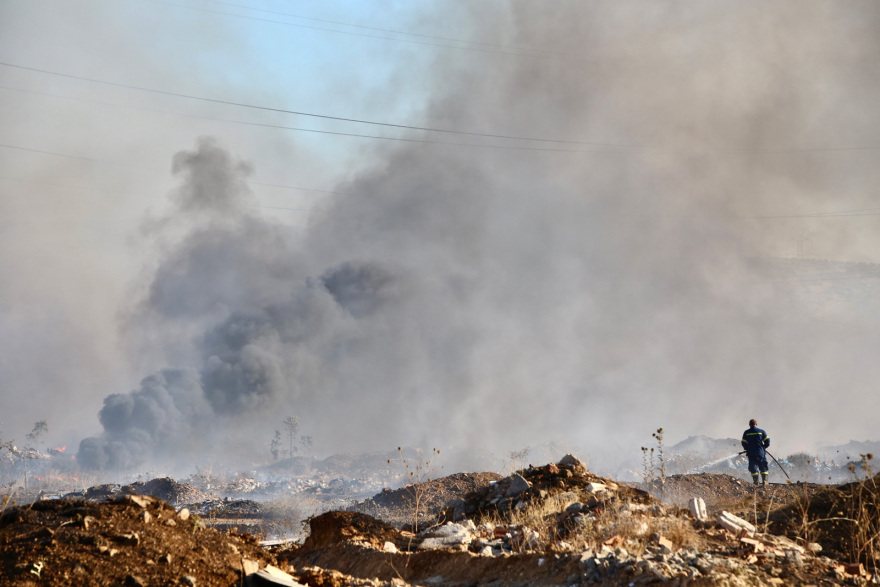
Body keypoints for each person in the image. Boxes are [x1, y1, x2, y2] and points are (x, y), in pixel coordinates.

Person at [741, 418, 770, 485]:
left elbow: (743, 443)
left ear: (749, 425)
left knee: (753, 467)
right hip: (760, 453)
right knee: (763, 466)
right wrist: (763, 447)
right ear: (756, 424)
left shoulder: (746, 432)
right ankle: (765, 481)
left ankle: (756, 482)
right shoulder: (761, 431)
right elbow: (768, 442)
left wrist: (747, 448)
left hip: (751, 453)